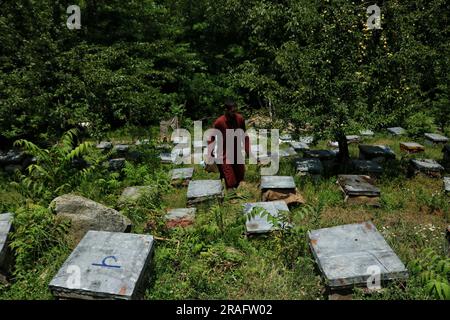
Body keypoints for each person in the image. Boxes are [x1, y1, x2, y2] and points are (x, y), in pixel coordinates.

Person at [208, 99, 249, 189]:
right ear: (226, 110)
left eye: (235, 110)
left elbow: (244, 136)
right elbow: (211, 136)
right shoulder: (220, 122)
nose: (234, 113)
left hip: (236, 151)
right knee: (230, 178)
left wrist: (248, 150)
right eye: (232, 111)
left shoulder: (240, 119)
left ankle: (236, 193)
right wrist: (210, 151)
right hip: (224, 153)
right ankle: (230, 196)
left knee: (240, 175)